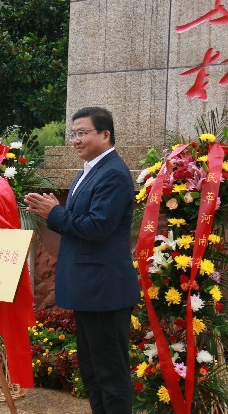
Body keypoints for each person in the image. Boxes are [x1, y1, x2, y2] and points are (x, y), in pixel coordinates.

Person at [24, 107, 139, 414]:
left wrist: (55, 213)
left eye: (82, 133)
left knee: (110, 375)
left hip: (105, 292)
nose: (75, 140)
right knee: (93, 373)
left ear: (105, 135)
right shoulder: (88, 171)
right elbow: (80, 221)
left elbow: (98, 227)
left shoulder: (113, 174)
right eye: (73, 134)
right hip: (90, 290)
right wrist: (56, 212)